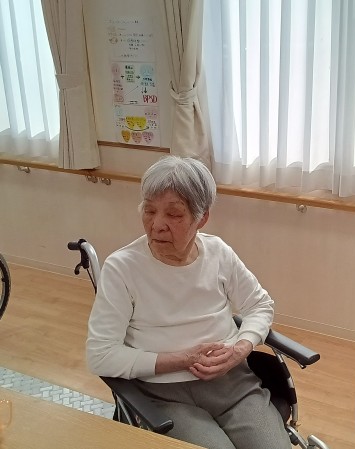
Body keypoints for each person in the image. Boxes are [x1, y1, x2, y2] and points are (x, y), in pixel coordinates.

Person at [87, 156, 290, 449]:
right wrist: (181, 359)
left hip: (233, 385)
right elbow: (101, 355)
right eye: (149, 210)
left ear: (201, 218)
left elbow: (260, 305)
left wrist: (240, 348)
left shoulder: (218, 253)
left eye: (174, 214)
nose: (157, 225)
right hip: (164, 394)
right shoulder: (122, 268)